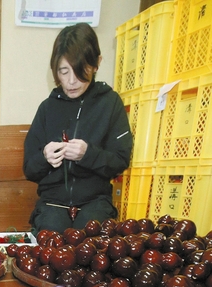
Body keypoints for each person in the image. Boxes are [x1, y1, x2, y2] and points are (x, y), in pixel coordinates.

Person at [23, 22, 133, 233]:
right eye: (64, 72)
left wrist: (87, 154)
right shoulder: (47, 108)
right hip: (53, 201)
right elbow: (29, 168)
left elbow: (120, 160)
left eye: (80, 70)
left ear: (96, 63)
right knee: (52, 234)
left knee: (90, 235)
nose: (71, 81)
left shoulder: (110, 103)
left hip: (95, 201)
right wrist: (45, 158)